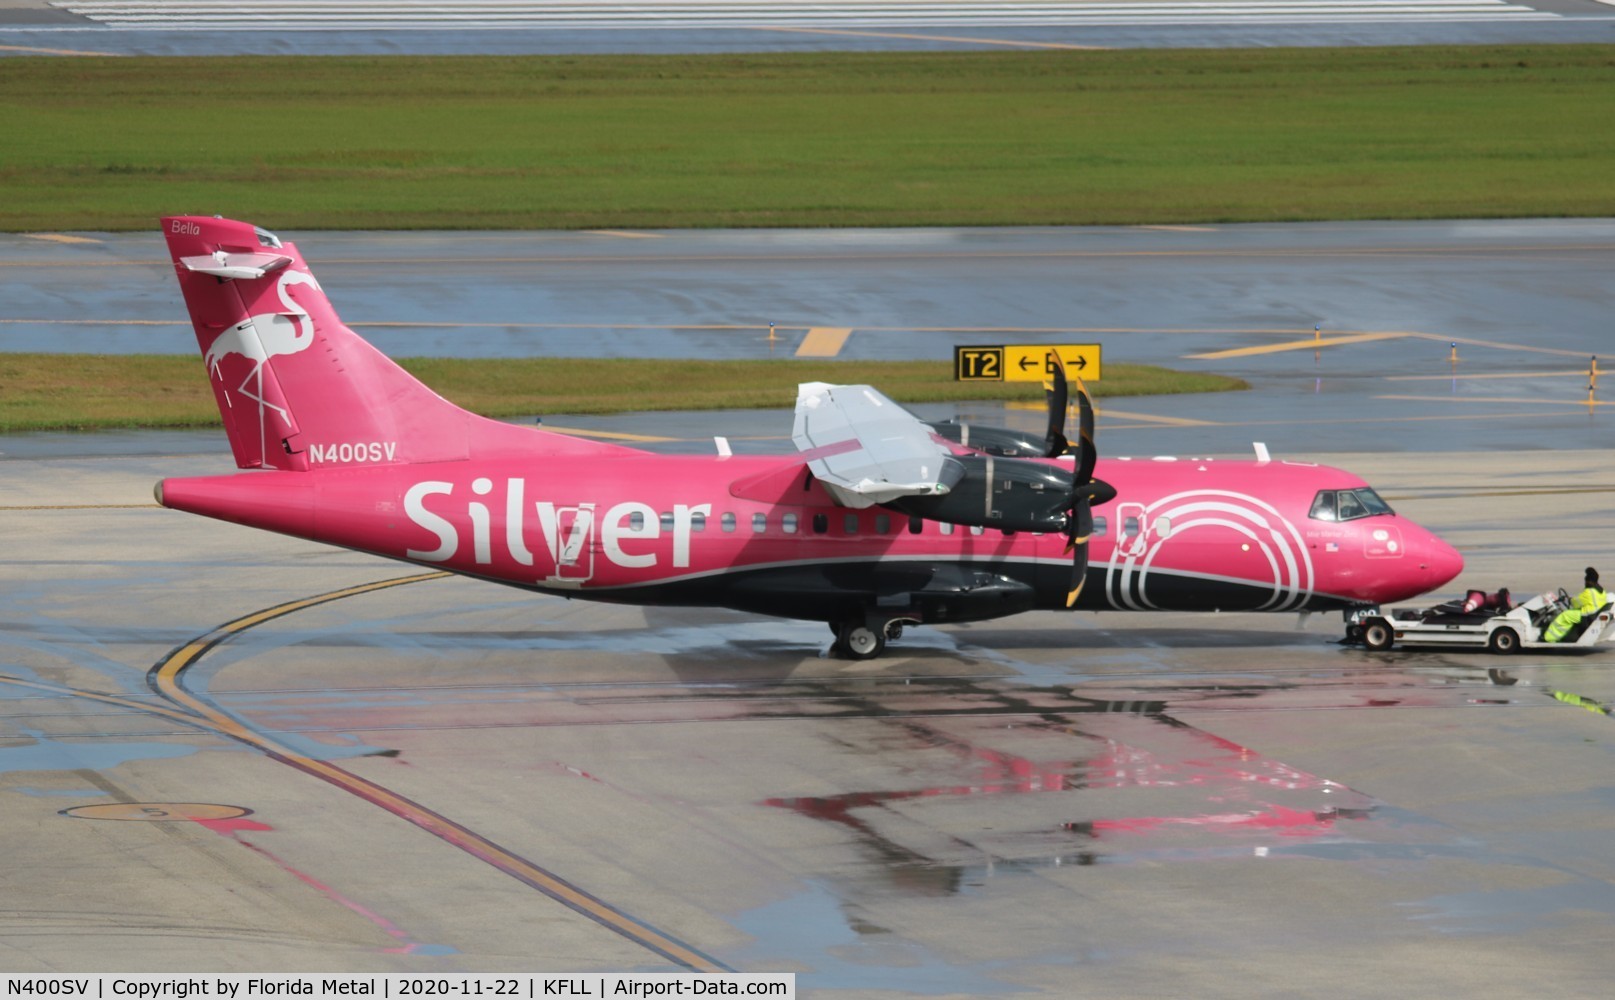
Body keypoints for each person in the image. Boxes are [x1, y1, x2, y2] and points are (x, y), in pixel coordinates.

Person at [1545, 568, 1608, 642]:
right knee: (1571, 614)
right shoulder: (1602, 591)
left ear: (1590, 581)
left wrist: (1570, 600)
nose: (1585, 583)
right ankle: (1565, 634)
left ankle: (1550, 638)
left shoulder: (1589, 592)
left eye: (1586, 582)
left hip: (1587, 616)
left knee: (1565, 615)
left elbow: (1575, 603)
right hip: (1593, 613)